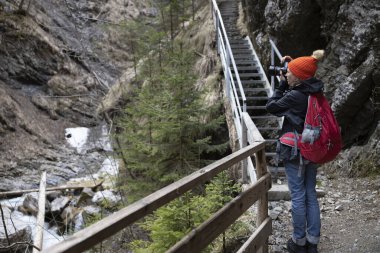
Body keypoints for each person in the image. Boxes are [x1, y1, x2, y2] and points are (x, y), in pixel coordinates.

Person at [266, 50, 325, 253]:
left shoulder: (295, 96)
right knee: (310, 194)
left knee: (298, 195)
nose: (286, 74)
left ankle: (299, 242)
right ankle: (312, 241)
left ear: (299, 76)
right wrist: (292, 67)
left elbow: (271, 106)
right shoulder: (315, 90)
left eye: (289, 73)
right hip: (312, 148)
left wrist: (282, 84)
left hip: (295, 151)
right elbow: (302, 71)